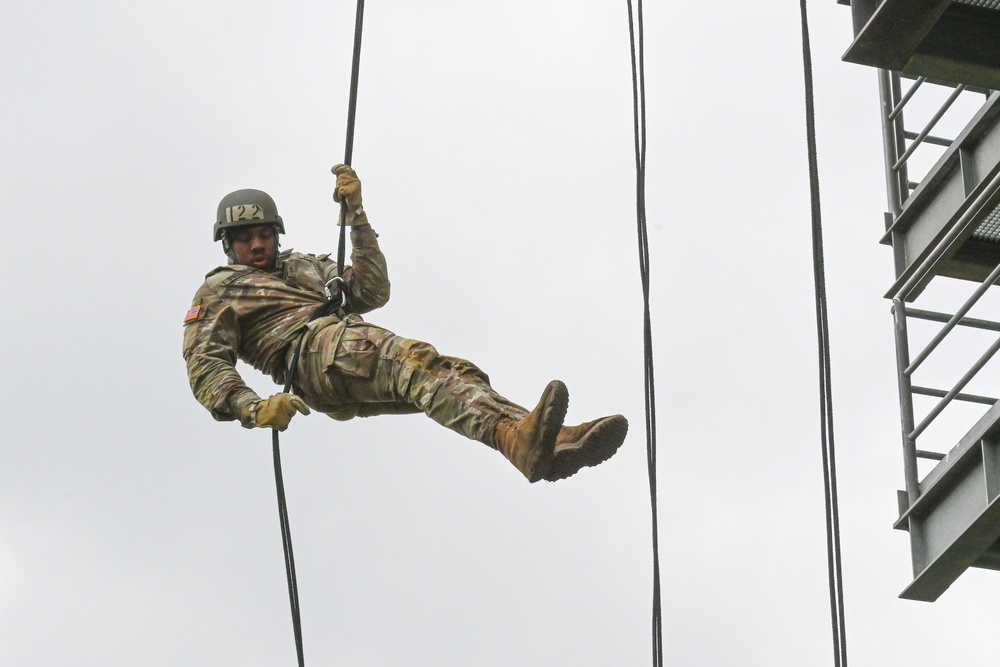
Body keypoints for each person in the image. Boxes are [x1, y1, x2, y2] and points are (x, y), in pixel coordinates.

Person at [182, 165, 627, 482]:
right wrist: (253, 407)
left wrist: (356, 215)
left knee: (450, 375)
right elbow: (206, 365)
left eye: (264, 235)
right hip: (315, 357)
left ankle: (543, 442)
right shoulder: (221, 290)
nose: (258, 245)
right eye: (245, 239)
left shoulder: (306, 267)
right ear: (228, 245)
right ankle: (516, 440)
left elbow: (372, 291)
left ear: (277, 234)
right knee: (416, 363)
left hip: (343, 355)